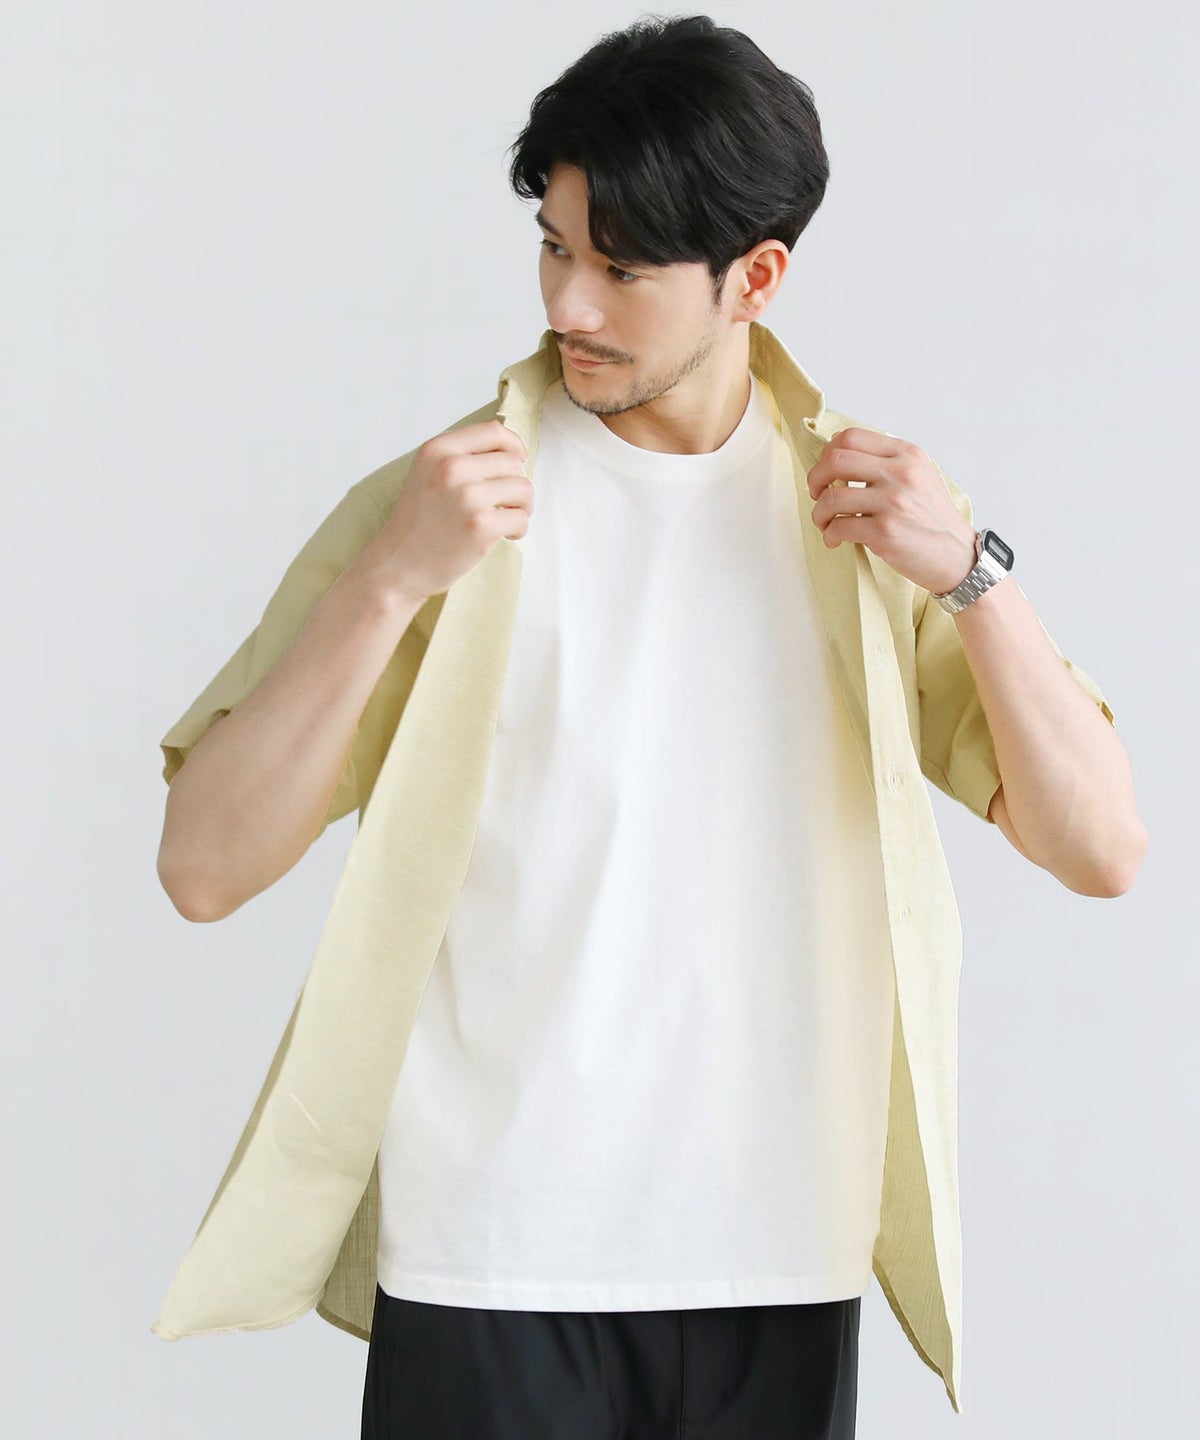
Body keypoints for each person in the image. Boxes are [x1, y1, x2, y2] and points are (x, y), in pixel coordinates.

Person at [151, 15, 1147, 1438]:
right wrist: (386, 583)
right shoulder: (444, 506)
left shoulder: (868, 523)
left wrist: (972, 578)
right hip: (491, 1256)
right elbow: (202, 867)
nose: (570, 303)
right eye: (554, 246)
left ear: (757, 277)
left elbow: (1101, 846)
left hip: (777, 1264)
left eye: (621, 270)